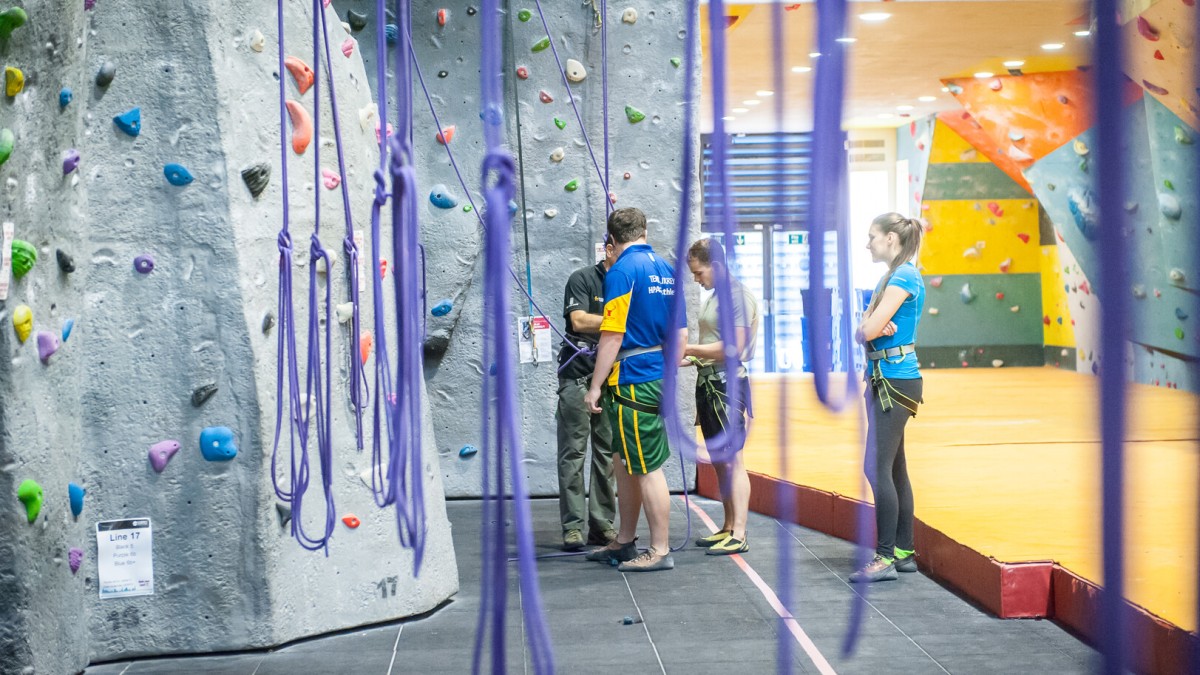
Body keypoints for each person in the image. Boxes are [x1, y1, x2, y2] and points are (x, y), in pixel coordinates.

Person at [582, 207, 687, 572]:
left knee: (645, 466)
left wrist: (594, 386)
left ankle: (659, 550)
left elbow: (612, 333)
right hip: (655, 375)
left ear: (610, 241)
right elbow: (681, 335)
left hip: (633, 378)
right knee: (624, 462)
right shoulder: (667, 271)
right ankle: (625, 540)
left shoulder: (623, 271)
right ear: (645, 231)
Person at [850, 212, 925, 583]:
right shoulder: (892, 277)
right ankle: (904, 551)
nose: (868, 243)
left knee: (875, 467)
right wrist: (869, 326)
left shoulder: (903, 276)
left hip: (894, 380)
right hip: (886, 378)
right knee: (894, 467)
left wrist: (869, 326)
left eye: (872, 236)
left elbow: (866, 330)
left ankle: (884, 557)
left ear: (892, 239)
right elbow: (864, 328)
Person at [681, 238, 759, 556]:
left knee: (733, 460)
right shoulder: (717, 296)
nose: (697, 279)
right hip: (710, 382)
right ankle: (728, 526)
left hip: (727, 385)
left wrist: (687, 349)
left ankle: (739, 533)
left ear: (714, 266)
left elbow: (734, 348)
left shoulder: (736, 297)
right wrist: (686, 358)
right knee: (720, 462)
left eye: (699, 273)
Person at [555, 236, 619, 551]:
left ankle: (602, 525)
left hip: (610, 380)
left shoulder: (627, 283)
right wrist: (619, 321)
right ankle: (572, 528)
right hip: (577, 377)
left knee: (606, 455)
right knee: (573, 453)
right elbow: (578, 321)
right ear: (609, 250)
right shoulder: (582, 279)